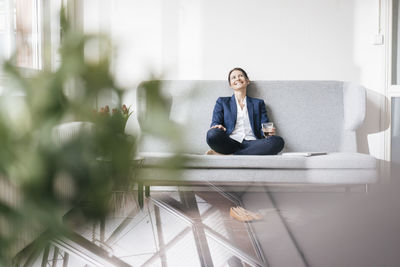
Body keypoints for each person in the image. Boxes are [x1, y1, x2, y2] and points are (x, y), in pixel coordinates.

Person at [206, 67, 284, 155]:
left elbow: (264, 127)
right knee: (212, 134)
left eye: (241, 76)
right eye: (233, 77)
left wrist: (268, 133)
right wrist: (217, 127)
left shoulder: (258, 103)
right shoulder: (222, 102)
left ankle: (230, 154)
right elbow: (215, 122)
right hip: (230, 142)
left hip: (253, 143)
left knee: (278, 141)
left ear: (247, 81)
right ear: (230, 84)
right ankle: (239, 153)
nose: (238, 79)